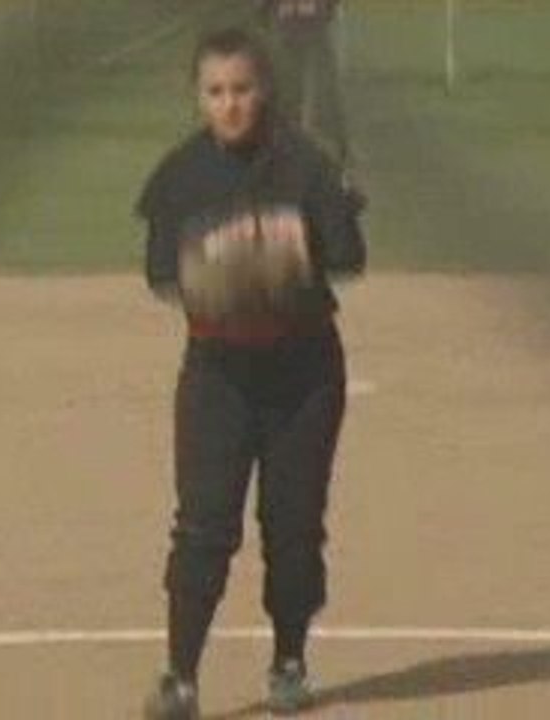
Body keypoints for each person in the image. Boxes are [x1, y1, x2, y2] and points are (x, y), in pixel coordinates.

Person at [136, 28, 366, 719]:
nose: (230, 104)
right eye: (215, 92)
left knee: (293, 526)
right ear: (198, 97)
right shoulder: (180, 175)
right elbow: (158, 273)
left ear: (264, 91)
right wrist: (218, 272)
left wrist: (285, 254)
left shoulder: (305, 165)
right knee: (204, 525)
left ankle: (289, 661)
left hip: (303, 372)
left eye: (242, 89)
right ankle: (180, 675)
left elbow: (350, 257)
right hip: (219, 374)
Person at [256, 0, 350, 168]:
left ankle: (331, 143)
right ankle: (290, 144)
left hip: (306, 24)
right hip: (293, 24)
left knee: (321, 88)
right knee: (292, 88)